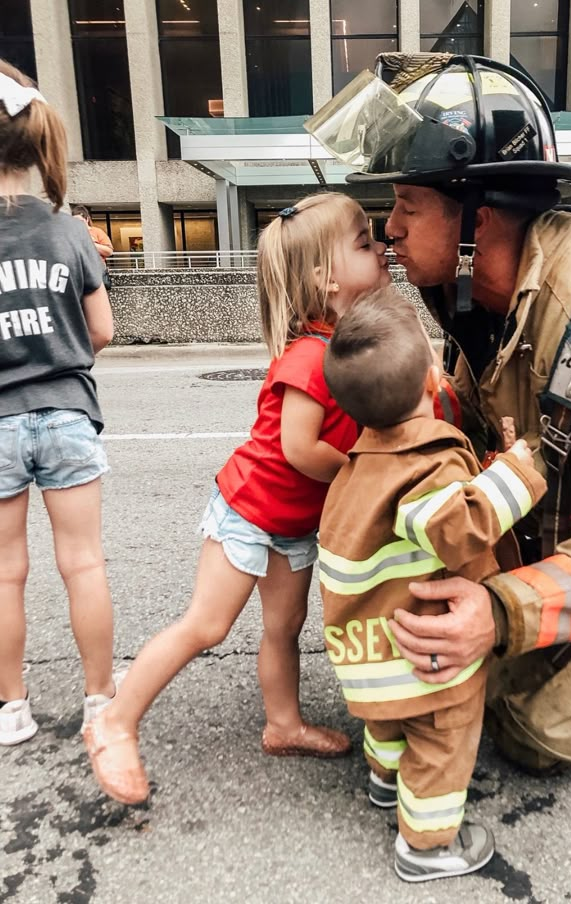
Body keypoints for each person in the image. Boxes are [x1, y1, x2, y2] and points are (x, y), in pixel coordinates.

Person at [306, 52, 571, 775]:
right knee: (450, 680)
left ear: (482, 214)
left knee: (533, 728)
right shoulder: (480, 304)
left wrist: (498, 612)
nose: (390, 231)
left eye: (409, 205)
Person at [82, 191, 392, 805]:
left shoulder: (345, 345)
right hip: (250, 511)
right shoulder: (311, 357)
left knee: (284, 625)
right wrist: (366, 471)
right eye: (364, 241)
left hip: (292, 522)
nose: (381, 247)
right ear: (327, 279)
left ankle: (283, 725)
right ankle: (114, 721)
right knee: (208, 624)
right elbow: (301, 449)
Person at [319, 290, 546, 881]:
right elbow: (460, 527)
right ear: (430, 382)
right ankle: (427, 844)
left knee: (389, 724)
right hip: (421, 661)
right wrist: (518, 469)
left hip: (367, 649)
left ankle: (384, 779)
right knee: (442, 743)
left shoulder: (357, 467)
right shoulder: (424, 467)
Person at [0, 61, 119, 746]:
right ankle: (99, 699)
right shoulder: (70, 231)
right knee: (83, 563)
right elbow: (101, 329)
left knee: (6, 573)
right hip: (68, 411)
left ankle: (12, 707)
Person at [71, 205, 113, 291]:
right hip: (78, 271)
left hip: (96, 271)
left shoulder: (97, 232)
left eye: (80, 221)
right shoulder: (71, 234)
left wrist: (91, 244)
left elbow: (109, 251)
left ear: (87, 219)